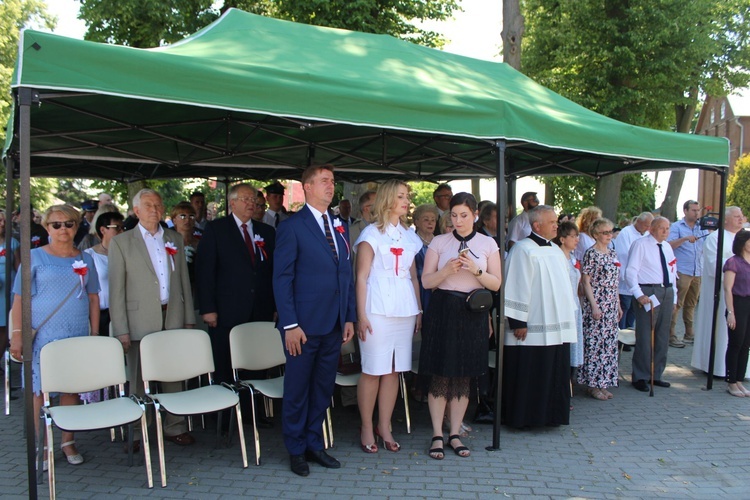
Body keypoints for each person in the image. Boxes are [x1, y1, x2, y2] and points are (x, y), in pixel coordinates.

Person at [273, 164, 355, 477]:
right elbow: (282, 279)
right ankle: (295, 450)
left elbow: (344, 273)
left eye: (332, 181)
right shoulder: (292, 227)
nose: (330, 186)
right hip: (303, 327)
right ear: (306, 187)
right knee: (297, 390)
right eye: (323, 181)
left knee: (322, 389)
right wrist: (290, 325)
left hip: (334, 324)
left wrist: (348, 316)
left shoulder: (338, 223)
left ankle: (313, 443)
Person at [9, 204, 100, 466]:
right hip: (42, 333)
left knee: (70, 388)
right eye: (56, 224)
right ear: (47, 227)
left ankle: (67, 441)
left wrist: (93, 334)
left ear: (76, 226)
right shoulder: (34, 256)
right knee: (39, 390)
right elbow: (19, 299)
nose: (63, 229)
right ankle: (41, 444)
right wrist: (17, 335)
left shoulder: (86, 258)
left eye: (68, 224)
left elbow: (93, 298)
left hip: (76, 332)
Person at [109, 188, 196, 448]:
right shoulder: (121, 242)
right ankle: (139, 431)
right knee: (137, 378)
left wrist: (189, 318)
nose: (155, 209)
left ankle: (174, 426)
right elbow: (116, 291)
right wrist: (121, 329)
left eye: (158, 204)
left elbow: (184, 282)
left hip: (172, 315)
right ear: (136, 211)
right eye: (148, 205)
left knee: (173, 374)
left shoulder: (174, 238)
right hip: (137, 319)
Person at [420, 192, 502, 459]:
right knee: (441, 374)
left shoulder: (488, 243)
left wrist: (476, 271)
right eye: (454, 215)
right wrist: (447, 271)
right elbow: (426, 282)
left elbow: (497, 284)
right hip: (443, 309)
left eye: (464, 215)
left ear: (475, 215)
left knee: (464, 377)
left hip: (473, 311)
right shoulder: (439, 242)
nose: (458, 220)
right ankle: (436, 434)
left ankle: (454, 434)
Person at [354, 180, 422, 454]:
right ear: (387, 200)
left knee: (394, 370)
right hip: (376, 308)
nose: (406, 201)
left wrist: (418, 310)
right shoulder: (371, 234)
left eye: (407, 196)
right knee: (373, 370)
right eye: (401, 196)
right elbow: (360, 277)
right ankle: (366, 426)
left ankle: (385, 425)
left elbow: (415, 277)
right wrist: (360, 314)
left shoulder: (409, 235)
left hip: (404, 309)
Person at [503, 205, 577, 428]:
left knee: (554, 370)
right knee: (532, 372)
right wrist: (518, 321)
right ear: (537, 225)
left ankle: (552, 417)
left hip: (556, 325)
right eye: (552, 221)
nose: (557, 224)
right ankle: (526, 418)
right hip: (532, 325)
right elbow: (516, 284)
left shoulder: (555, 249)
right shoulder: (523, 249)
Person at [197, 184, 276, 386]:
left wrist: (275, 306)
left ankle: (255, 411)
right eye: (246, 199)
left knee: (257, 361)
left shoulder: (266, 232)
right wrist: (208, 308)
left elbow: (273, 272)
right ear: (232, 203)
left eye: (254, 200)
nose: (251, 203)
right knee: (225, 363)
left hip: (260, 309)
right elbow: (205, 271)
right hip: (227, 311)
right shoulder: (216, 229)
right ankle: (227, 415)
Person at [692, 206, 747, 378]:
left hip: (745, 294)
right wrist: (738, 267)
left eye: (741, 216)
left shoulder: (745, 237)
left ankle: (739, 371)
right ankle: (718, 368)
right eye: (736, 216)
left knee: (743, 337)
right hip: (724, 293)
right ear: (727, 219)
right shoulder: (715, 238)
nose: (741, 219)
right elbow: (713, 265)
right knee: (723, 333)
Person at [624, 217, 677, 392]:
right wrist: (638, 294)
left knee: (662, 335)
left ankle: (656, 373)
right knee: (646, 335)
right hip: (649, 291)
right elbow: (631, 271)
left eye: (668, 228)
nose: (665, 231)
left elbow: (672, 271)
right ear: (652, 229)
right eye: (662, 228)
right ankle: (640, 375)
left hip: (666, 291)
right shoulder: (641, 244)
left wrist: (674, 297)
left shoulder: (667, 247)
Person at [579, 218, 623, 400]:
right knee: (596, 344)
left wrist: (618, 304)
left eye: (611, 232)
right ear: (596, 234)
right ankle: (593, 384)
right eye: (605, 232)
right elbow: (586, 281)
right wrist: (594, 305)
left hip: (611, 302)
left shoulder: (612, 253)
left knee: (609, 345)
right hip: (597, 302)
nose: (609, 235)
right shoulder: (591, 253)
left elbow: (615, 282)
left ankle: (604, 382)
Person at [667, 200, 708, 347]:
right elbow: (668, 245)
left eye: (698, 210)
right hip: (682, 270)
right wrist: (684, 239)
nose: (697, 213)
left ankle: (689, 333)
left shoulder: (701, 227)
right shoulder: (677, 227)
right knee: (677, 303)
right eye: (693, 210)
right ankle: (671, 334)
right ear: (685, 211)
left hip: (697, 270)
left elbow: (707, 244)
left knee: (691, 304)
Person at [84, 211, 124, 339]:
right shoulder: (89, 255)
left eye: (122, 227)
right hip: (100, 313)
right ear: (103, 230)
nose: (121, 231)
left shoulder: (126, 253)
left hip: (122, 312)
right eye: (116, 227)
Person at [553, 221, 583, 374]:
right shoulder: (557, 257)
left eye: (577, 235)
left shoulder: (572, 257)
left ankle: (570, 377)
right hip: (563, 307)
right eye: (572, 236)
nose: (576, 239)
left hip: (574, 305)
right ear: (562, 238)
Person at [723, 230, 750, 397]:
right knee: (736, 343)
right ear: (743, 243)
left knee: (746, 345)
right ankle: (731, 382)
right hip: (738, 303)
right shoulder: (733, 262)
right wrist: (731, 312)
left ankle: (739, 380)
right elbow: (727, 289)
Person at [616, 212, 653, 330]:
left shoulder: (647, 234)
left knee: (634, 310)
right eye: (646, 225)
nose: (648, 228)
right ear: (639, 222)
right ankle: (621, 338)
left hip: (640, 280)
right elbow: (624, 254)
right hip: (626, 279)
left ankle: (629, 335)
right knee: (624, 309)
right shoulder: (626, 233)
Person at [0, 210, 20, 360]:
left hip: (8, 288)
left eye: (4, 221)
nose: (2, 224)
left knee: (4, 326)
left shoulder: (13, 242)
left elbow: (19, 267)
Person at [413, 204, 440, 312]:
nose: (430, 222)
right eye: (426, 219)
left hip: (437, 291)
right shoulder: (411, 242)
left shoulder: (440, 241)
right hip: (418, 290)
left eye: (433, 220)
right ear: (416, 222)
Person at [170, 202, 201, 294]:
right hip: (174, 289)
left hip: (197, 289)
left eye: (191, 216)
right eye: (183, 216)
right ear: (174, 220)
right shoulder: (168, 242)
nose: (187, 220)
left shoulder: (201, 242)